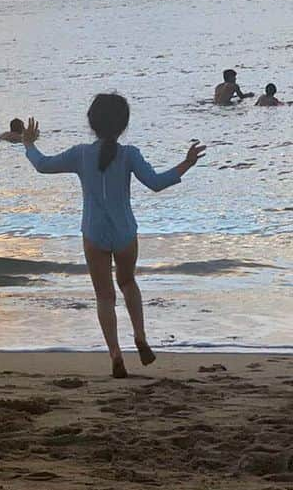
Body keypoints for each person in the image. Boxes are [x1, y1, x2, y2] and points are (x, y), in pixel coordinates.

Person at [20, 94, 205, 379]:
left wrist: (29, 143)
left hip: (94, 232)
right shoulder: (130, 154)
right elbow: (156, 183)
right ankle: (140, 336)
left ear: (91, 124)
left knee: (104, 297)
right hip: (125, 232)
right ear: (123, 125)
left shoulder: (80, 154)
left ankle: (116, 354)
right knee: (128, 283)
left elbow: (43, 165)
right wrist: (187, 163)